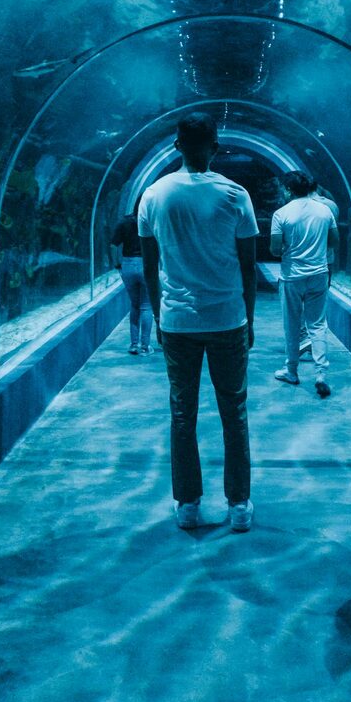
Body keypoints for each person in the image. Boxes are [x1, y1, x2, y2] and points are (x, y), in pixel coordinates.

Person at [138, 113, 259, 532]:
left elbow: (150, 266)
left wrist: (158, 315)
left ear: (176, 146)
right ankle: (238, 505)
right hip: (228, 319)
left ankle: (188, 505)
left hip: (177, 321)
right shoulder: (235, 194)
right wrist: (249, 319)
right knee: (234, 413)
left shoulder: (153, 194)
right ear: (215, 147)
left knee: (182, 413)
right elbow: (248, 266)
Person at [270, 171, 339, 397]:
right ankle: (321, 374)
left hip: (292, 276)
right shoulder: (325, 210)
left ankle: (291, 371)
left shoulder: (281, 214)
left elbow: (274, 249)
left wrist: (289, 248)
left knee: (292, 324)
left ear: (289, 189)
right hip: (319, 273)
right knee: (317, 324)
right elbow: (334, 241)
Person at [110, 197, 153, 355]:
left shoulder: (124, 222)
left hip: (128, 264)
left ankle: (134, 345)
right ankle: (145, 346)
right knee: (146, 307)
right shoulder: (150, 221)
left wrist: (117, 264)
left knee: (134, 305)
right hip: (145, 264)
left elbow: (113, 245)